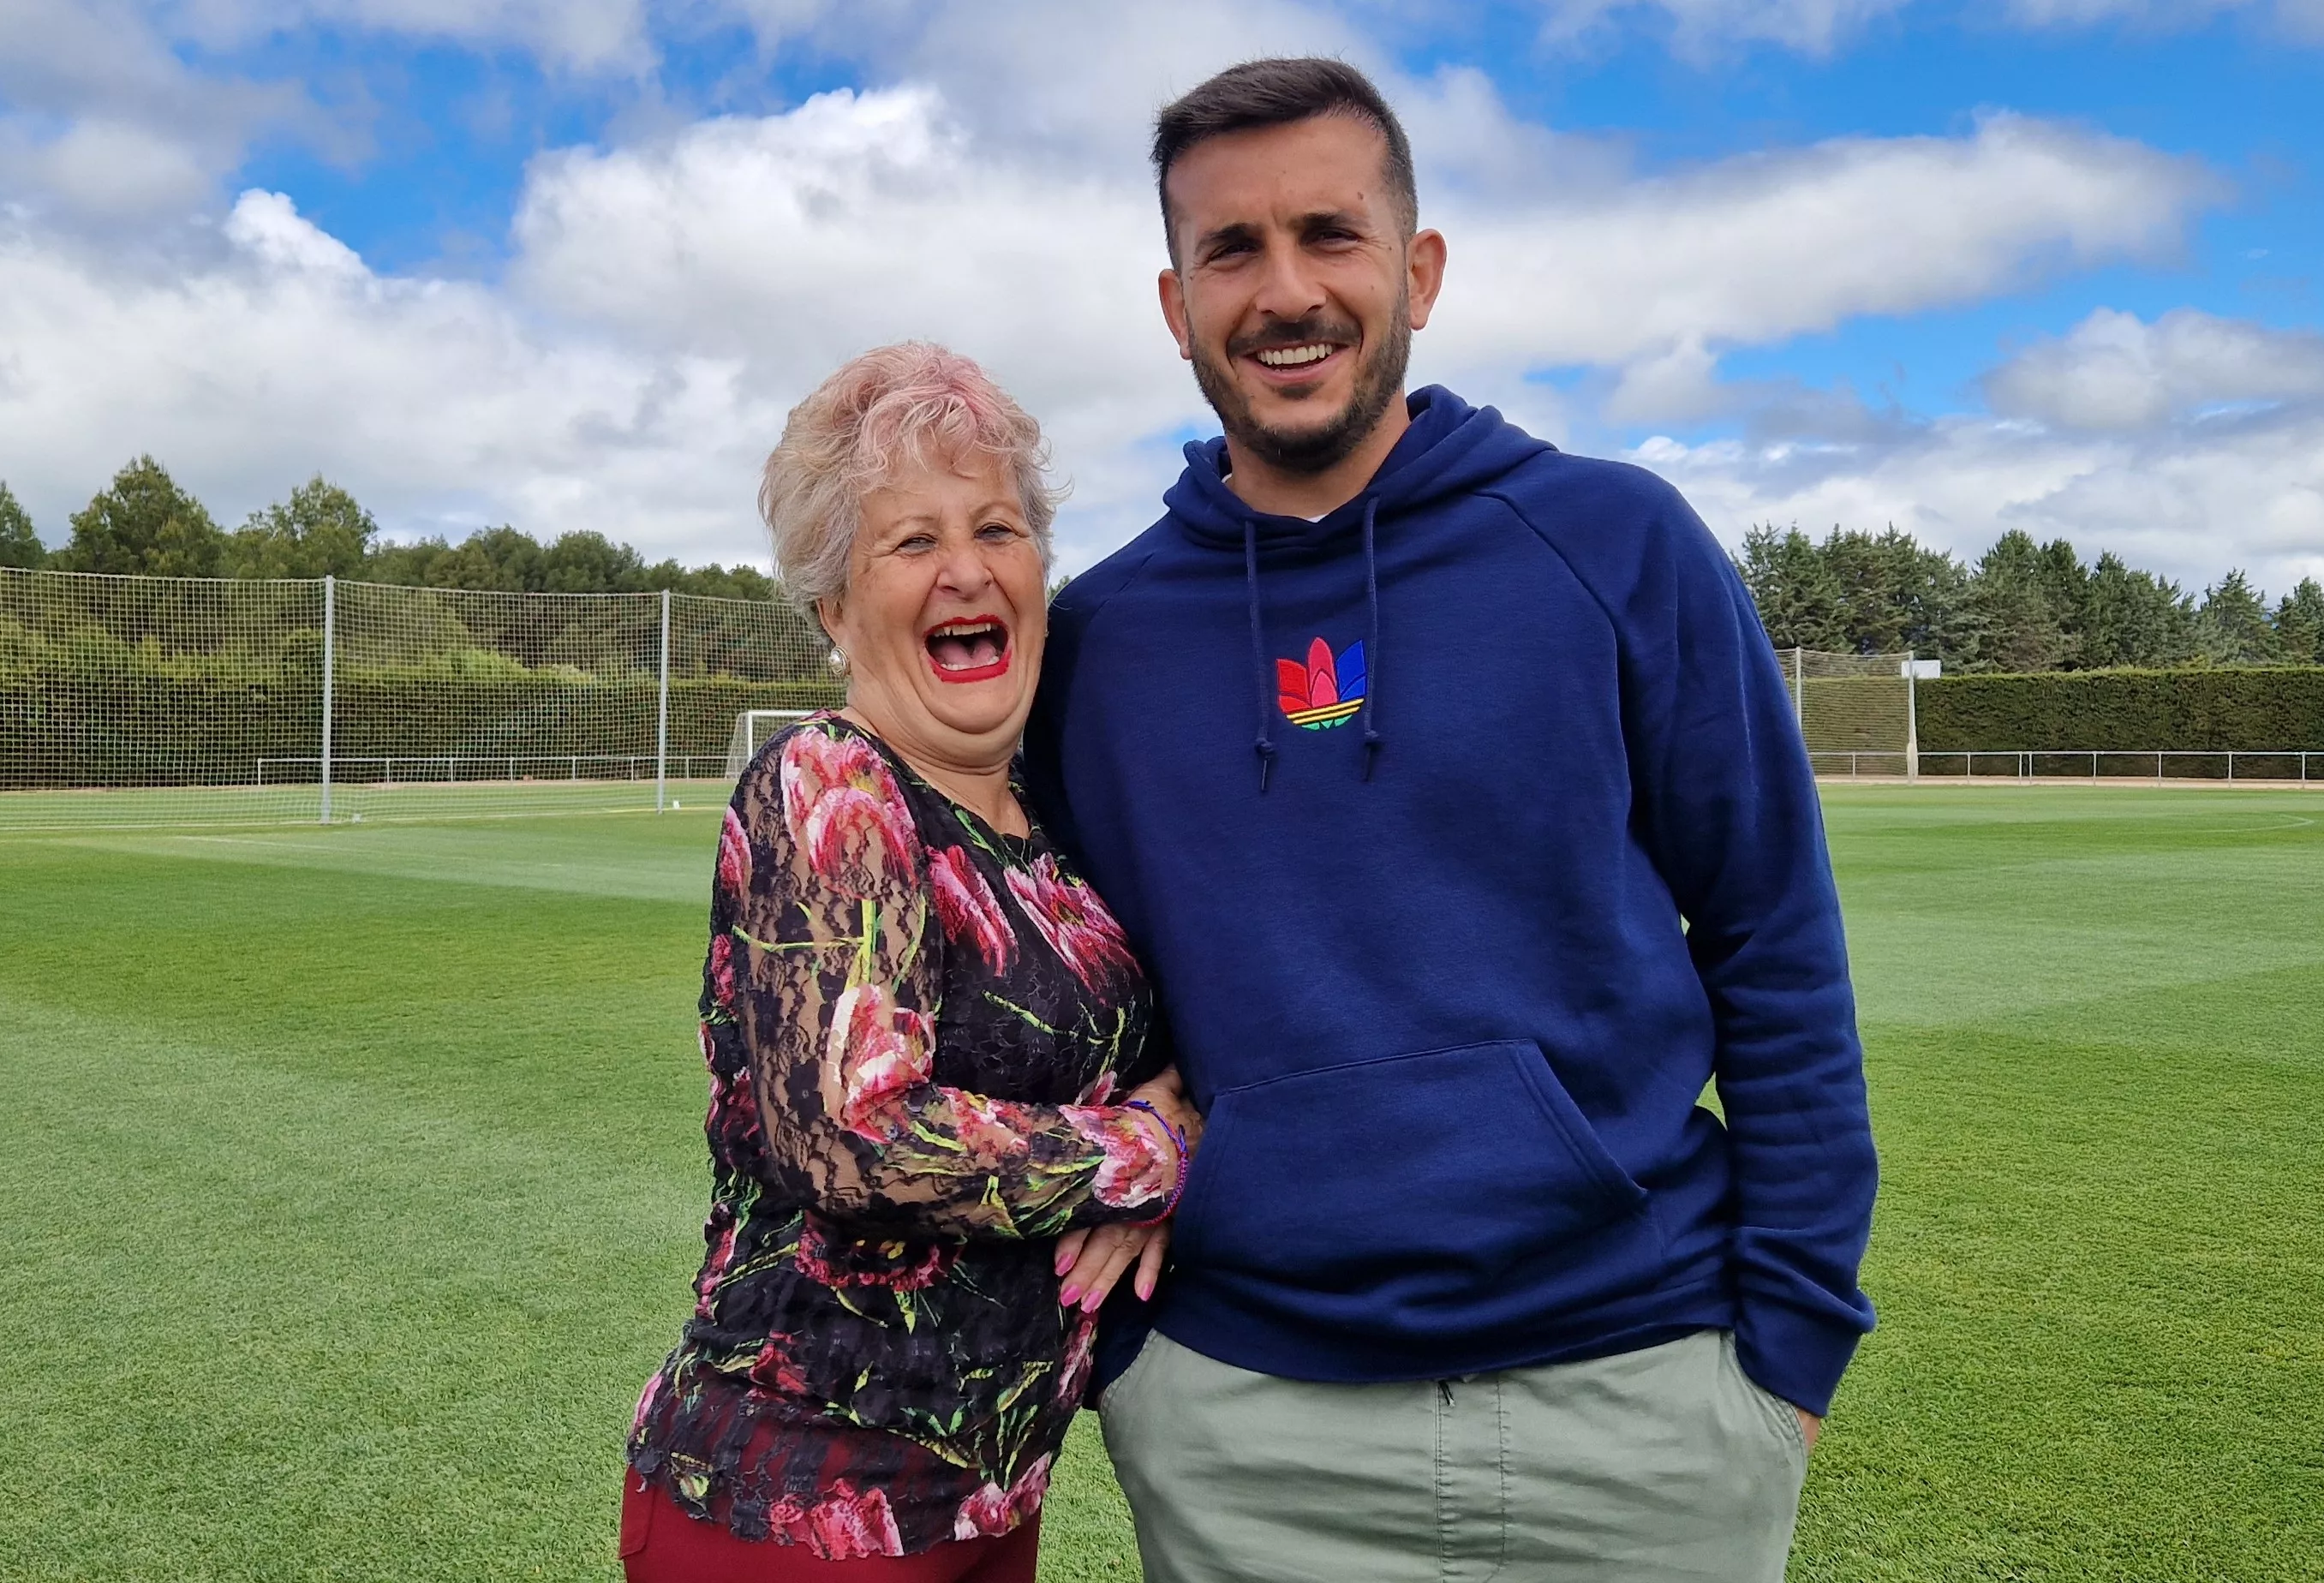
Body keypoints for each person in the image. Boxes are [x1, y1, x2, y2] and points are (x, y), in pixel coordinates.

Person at [1026, 58, 1879, 1583]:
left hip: (1639, 1401)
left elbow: (1775, 942)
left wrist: (1790, 1353)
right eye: (1232, 250)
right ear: (1175, 305)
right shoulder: (1099, 637)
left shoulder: (1616, 543)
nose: (1285, 292)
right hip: (1244, 1425)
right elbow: (1056, 1004)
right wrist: (1142, 1348)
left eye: (1329, 235)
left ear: (1417, 269)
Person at [624, 342, 1198, 1583]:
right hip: (803, 1504)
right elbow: (859, 1135)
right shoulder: (833, 786)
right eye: (910, 541)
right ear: (835, 606)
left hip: (986, 1497)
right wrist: (1146, 1156)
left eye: (997, 527)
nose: (965, 569)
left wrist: (1184, 1098)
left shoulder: (1052, 829)